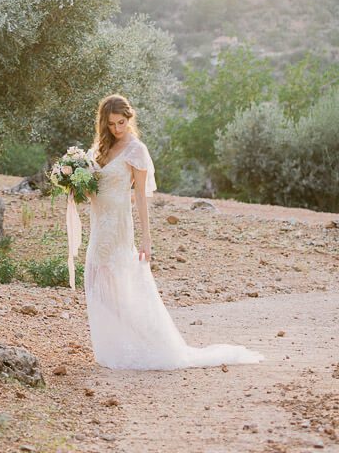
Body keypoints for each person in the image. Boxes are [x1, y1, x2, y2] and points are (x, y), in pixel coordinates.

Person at [83, 93, 264, 370]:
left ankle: (146, 344)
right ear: (103, 124)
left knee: (117, 286)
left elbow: (141, 197)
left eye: (121, 122)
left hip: (118, 226)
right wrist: (75, 184)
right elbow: (94, 188)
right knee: (96, 283)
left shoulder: (136, 150)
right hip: (98, 225)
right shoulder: (101, 148)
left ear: (130, 119)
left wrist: (147, 238)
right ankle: (118, 344)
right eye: (111, 124)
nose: (117, 129)